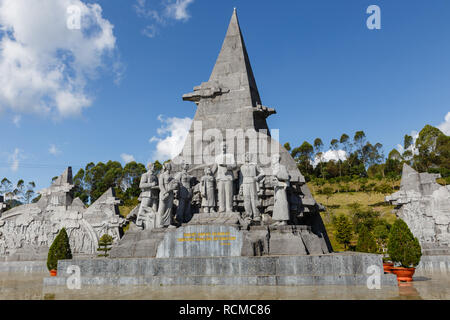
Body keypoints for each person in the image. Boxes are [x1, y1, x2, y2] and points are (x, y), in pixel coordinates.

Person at [239, 153, 264, 221]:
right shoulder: (242, 167)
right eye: (245, 156)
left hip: (253, 182)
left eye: (248, 156)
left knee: (254, 198)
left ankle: (256, 215)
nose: (246, 157)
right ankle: (248, 215)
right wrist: (240, 188)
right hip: (245, 182)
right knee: (246, 199)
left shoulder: (254, 165)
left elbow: (262, 173)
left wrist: (257, 177)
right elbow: (241, 179)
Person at [136, 163, 159, 229]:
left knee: (154, 212)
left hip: (155, 196)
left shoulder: (155, 176)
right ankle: (139, 224)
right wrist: (151, 184)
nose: (154, 168)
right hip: (147, 195)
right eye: (153, 166)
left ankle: (153, 225)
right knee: (143, 209)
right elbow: (141, 185)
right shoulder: (145, 175)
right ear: (150, 167)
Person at [215, 143, 236, 213]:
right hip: (220, 177)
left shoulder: (230, 156)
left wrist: (226, 165)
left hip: (228, 177)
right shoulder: (217, 157)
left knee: (229, 193)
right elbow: (215, 168)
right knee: (221, 193)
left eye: (224, 146)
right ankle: (221, 208)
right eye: (222, 146)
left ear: (226, 147)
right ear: (220, 147)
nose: (223, 148)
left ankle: (229, 208)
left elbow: (234, 166)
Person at [271, 154, 290, 225]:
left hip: (281, 187)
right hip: (276, 187)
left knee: (283, 202)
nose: (272, 160)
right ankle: (278, 220)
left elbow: (286, 176)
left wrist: (277, 174)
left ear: (276, 159)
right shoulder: (274, 168)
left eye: (273, 158)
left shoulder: (282, 167)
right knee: (277, 203)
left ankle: (284, 220)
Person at [157, 162, 177, 227]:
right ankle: (160, 223)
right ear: (165, 167)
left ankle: (168, 223)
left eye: (170, 165)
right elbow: (161, 185)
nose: (169, 166)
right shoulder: (162, 175)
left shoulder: (171, 175)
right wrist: (165, 192)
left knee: (169, 208)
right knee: (162, 208)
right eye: (167, 165)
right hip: (164, 193)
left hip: (170, 193)